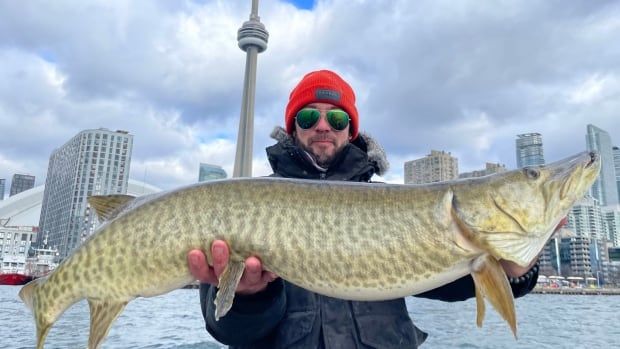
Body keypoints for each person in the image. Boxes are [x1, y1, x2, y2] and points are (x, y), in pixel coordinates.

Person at [186, 69, 543, 348]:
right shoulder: (244, 206)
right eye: (309, 117)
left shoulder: (395, 207)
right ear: (293, 128)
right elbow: (225, 327)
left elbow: (453, 281)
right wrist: (252, 297)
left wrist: (513, 270)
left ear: (351, 130)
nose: (323, 126)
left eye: (337, 119)